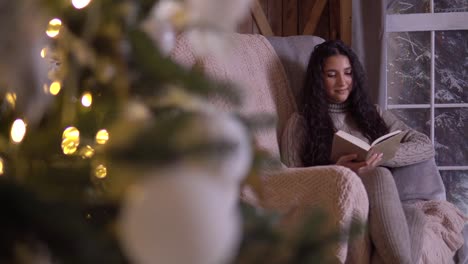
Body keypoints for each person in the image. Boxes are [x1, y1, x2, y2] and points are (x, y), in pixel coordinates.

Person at [285, 40, 437, 264]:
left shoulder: (372, 114)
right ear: (318, 81)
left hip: (378, 206)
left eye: (348, 73)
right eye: (331, 75)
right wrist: (338, 171)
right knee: (378, 174)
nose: (342, 82)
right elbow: (290, 183)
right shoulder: (300, 124)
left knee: (414, 216)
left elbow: (425, 145)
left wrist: (382, 155)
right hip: (337, 206)